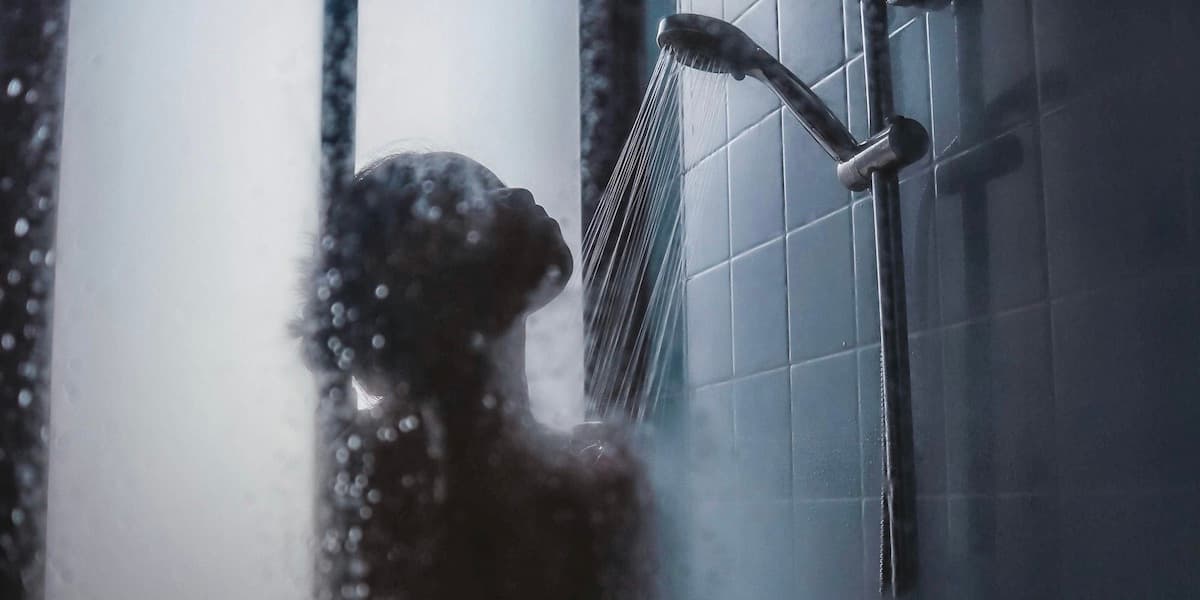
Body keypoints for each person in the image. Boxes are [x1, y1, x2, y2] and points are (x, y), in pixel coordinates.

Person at [299, 152, 654, 599]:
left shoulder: (552, 466)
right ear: (422, 274)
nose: (520, 196)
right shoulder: (392, 479)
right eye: (473, 196)